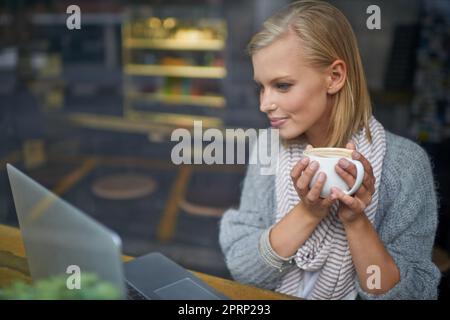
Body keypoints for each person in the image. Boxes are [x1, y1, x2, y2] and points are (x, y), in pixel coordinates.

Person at [219, 0, 441, 299]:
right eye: (262, 86)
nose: (264, 104)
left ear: (334, 77)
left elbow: (411, 295)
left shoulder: (406, 165)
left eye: (282, 86)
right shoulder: (268, 147)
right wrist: (309, 212)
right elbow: (243, 269)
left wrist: (355, 220)